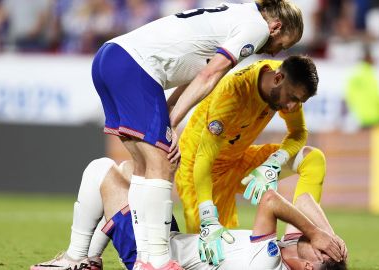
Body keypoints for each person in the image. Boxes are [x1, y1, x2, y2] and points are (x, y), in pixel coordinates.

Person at [90, 1, 304, 269]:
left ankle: (133, 257)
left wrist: (168, 115)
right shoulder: (256, 29)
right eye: (283, 44)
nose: (277, 51)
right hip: (137, 66)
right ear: (276, 27)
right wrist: (171, 125)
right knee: (163, 163)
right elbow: (208, 75)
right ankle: (156, 260)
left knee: (144, 167)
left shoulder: (237, 16)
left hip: (112, 58)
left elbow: (196, 77)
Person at [32, 158, 347, 270]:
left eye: (318, 248)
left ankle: (76, 260)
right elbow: (305, 200)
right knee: (132, 171)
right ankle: (91, 260)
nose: (310, 235)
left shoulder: (268, 259)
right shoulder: (289, 253)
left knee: (101, 171)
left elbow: (269, 200)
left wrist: (318, 234)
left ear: (308, 266)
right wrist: (328, 238)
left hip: (151, 255)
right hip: (168, 241)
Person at [173, 55, 327, 265]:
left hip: (238, 159)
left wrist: (274, 162)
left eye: (298, 101)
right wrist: (208, 217)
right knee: (211, 257)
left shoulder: (288, 81)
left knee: (313, 159)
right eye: (292, 98)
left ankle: (295, 240)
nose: (292, 107)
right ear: (277, 78)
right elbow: (204, 157)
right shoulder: (232, 93)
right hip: (200, 170)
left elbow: (298, 132)